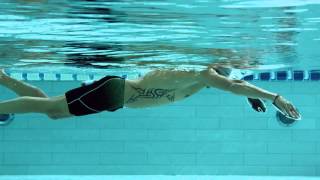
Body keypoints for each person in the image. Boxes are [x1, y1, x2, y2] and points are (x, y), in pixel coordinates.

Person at [0, 65, 301, 123]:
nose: (238, 73)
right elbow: (230, 84)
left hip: (115, 96)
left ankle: (2, 77)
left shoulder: (207, 81)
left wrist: (251, 96)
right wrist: (274, 97)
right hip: (116, 92)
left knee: (50, 108)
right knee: (51, 109)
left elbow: (232, 85)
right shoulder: (201, 73)